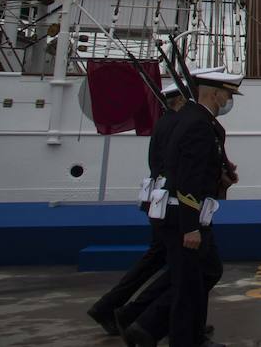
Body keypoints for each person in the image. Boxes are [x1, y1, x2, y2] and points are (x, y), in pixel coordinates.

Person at [136, 70, 241, 347]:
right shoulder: (197, 124)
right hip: (184, 216)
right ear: (213, 93)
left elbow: (198, 170)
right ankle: (180, 339)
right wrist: (190, 226)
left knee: (204, 274)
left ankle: (150, 328)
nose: (229, 99)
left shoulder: (198, 120)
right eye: (227, 93)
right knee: (187, 285)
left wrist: (221, 177)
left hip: (189, 213)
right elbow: (188, 179)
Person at [89, 81, 186, 337]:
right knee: (185, 269)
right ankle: (135, 313)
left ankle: (109, 307)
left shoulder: (164, 123)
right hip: (171, 201)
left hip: (157, 199)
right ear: (180, 100)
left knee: (157, 258)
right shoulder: (181, 124)